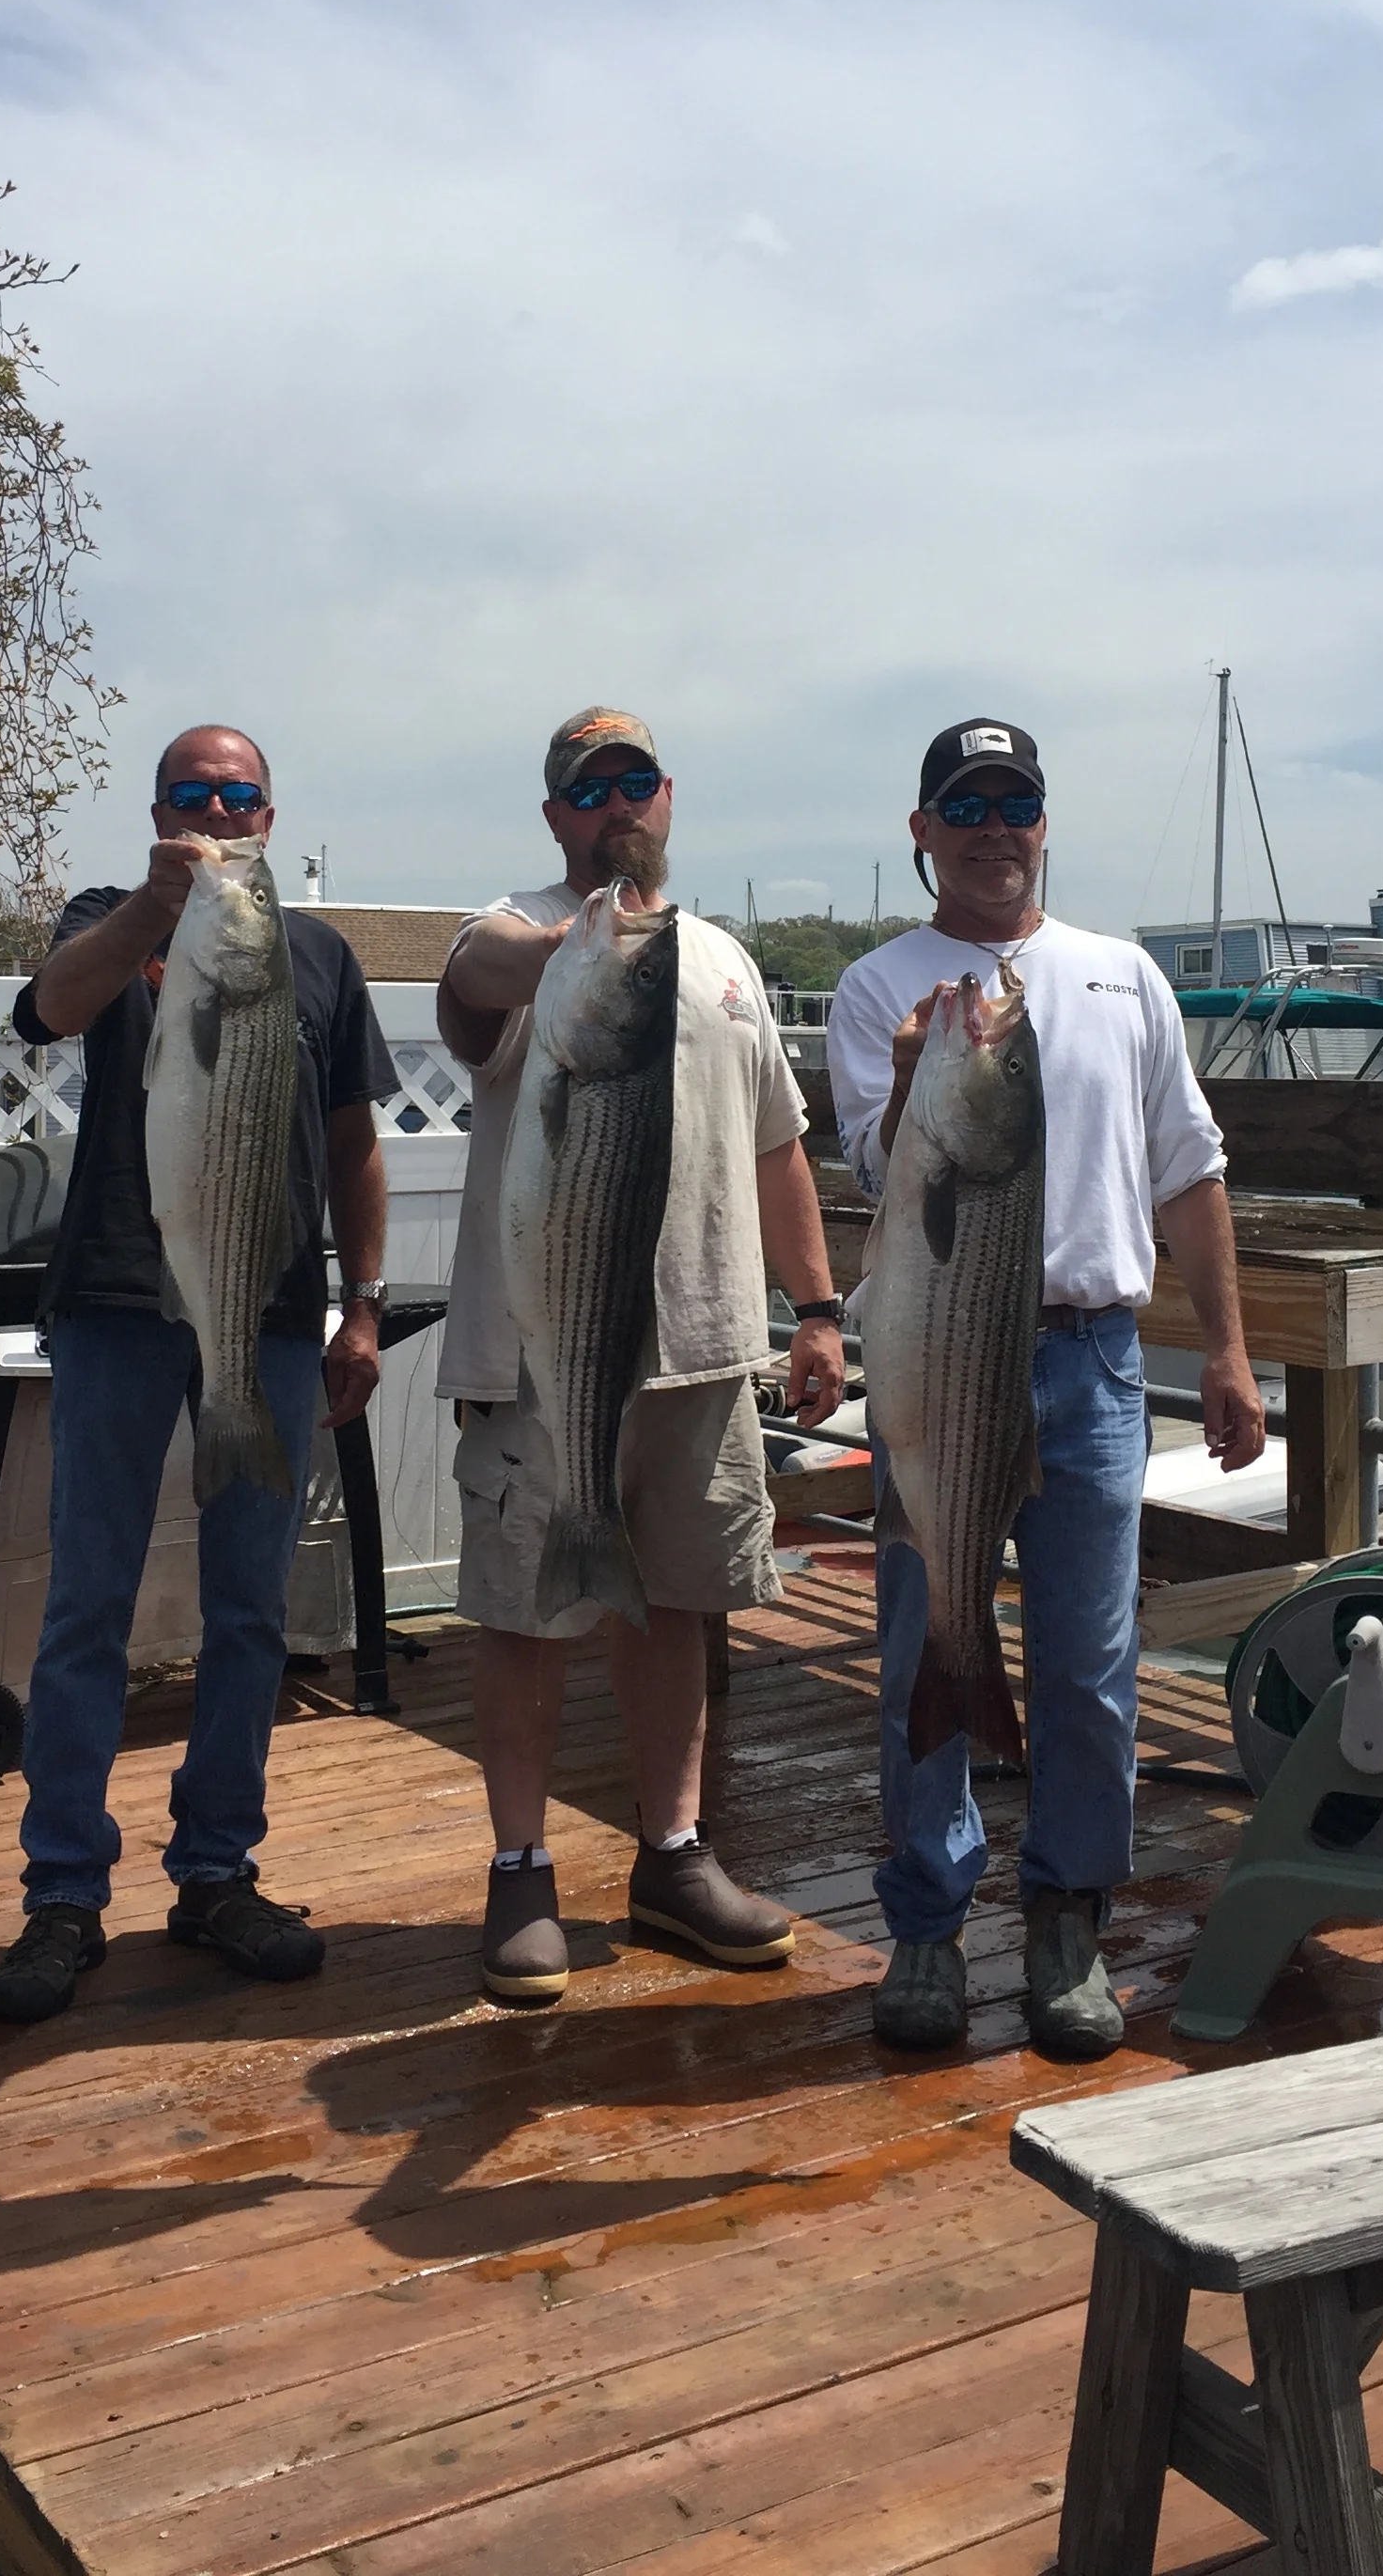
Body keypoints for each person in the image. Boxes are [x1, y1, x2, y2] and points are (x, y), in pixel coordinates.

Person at [827, 716, 1264, 2061]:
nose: (993, 830)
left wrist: (1228, 1347)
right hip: (935, 1361)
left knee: (1089, 1664)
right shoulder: (878, 989)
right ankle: (927, 1922)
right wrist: (916, 1081)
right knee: (922, 1640)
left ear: (1043, 822)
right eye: (964, 807)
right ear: (922, 833)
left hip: (1094, 1359)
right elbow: (880, 1176)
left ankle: (1069, 1915)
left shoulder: (1124, 977)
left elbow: (1190, 1168)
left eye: (1013, 803)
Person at [0, 724, 397, 2025]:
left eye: (240, 797)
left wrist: (363, 1306)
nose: (218, 815)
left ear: (271, 816)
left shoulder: (317, 956)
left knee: (252, 1612)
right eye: (193, 795)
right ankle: (64, 1889)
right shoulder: (110, 920)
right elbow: (50, 1009)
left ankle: (217, 1870)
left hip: (267, 1311)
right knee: (86, 1606)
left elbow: (353, 1140)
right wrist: (155, 910)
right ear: (159, 812)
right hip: (114, 1298)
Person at [435, 707, 847, 2006]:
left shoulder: (722, 960)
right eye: (589, 788)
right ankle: (520, 1867)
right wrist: (575, 944)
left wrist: (818, 1307)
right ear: (556, 814)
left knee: (676, 1604)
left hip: (704, 1349)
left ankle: (671, 1856)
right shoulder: (524, 936)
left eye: (637, 782)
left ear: (669, 797)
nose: (619, 804)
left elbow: (779, 1143)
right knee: (527, 1613)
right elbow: (472, 983)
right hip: (541, 1351)